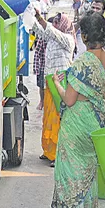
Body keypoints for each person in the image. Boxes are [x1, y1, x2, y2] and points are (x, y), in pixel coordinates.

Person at [51, 12, 105, 208]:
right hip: (95, 121)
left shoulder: (81, 63)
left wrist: (58, 84)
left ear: (84, 36)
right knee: (87, 171)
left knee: (73, 172)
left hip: (76, 123)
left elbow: (68, 100)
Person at [32, 11, 75, 167]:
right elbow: (39, 31)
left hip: (61, 81)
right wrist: (31, 18)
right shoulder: (51, 39)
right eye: (54, 22)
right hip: (51, 81)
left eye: (57, 22)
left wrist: (39, 18)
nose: (54, 24)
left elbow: (50, 30)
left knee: (59, 118)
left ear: (63, 24)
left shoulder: (67, 39)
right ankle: (49, 150)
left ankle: (59, 155)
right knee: (49, 118)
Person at [33, 17, 55, 110]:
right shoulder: (42, 39)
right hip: (43, 67)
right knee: (41, 86)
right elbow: (37, 54)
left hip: (54, 67)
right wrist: (36, 69)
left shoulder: (57, 39)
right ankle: (42, 101)